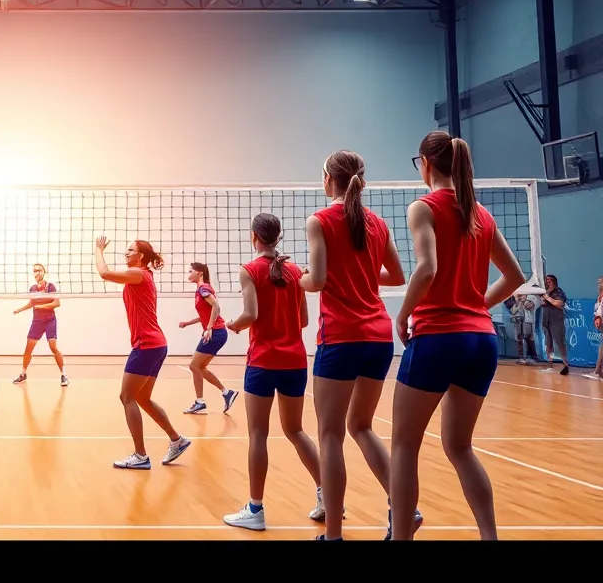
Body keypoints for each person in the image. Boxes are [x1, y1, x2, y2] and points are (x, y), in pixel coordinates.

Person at [389, 132, 526, 541]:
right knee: (460, 447)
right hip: (480, 341)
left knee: (404, 445)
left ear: (426, 164)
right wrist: (478, 306)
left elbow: (426, 268)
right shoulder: (480, 213)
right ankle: (489, 536)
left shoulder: (424, 207)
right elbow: (516, 277)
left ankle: (401, 537)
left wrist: (403, 314)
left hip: (438, 337)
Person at [299, 150, 417, 541]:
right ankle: (404, 507)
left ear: (327, 179)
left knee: (330, 435)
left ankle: (332, 535)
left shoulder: (319, 221)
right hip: (378, 337)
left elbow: (315, 281)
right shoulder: (378, 223)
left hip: (341, 336)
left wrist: (293, 276)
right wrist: (363, 274)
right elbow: (398, 275)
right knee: (362, 426)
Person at [223, 214, 322, 532]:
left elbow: (250, 314)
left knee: (258, 435)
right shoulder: (295, 272)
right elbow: (303, 321)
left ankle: (255, 509)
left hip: (263, 363)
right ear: (278, 237)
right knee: (296, 431)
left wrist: (234, 325)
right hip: (295, 362)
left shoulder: (249, 270)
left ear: (254, 236)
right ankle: (328, 498)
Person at [95, 236, 190, 470]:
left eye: (130, 250)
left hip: (147, 346)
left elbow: (104, 273)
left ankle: (140, 455)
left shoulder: (139, 274)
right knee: (142, 398)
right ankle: (177, 440)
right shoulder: (141, 276)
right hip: (156, 345)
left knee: (126, 397)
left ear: (141, 257)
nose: (126, 253)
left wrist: (98, 250)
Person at [178, 261, 237, 414]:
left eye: (191, 271)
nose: (189, 274)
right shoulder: (201, 290)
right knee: (200, 367)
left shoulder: (203, 289)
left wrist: (209, 327)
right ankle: (226, 393)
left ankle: (201, 402)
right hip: (217, 333)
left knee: (194, 366)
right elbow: (207, 312)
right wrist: (188, 323)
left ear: (199, 273)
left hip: (216, 333)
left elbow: (216, 306)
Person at [12, 263, 67, 386]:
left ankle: (64, 375)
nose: (36, 273)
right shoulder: (32, 289)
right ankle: (23, 373)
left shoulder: (50, 287)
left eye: (39, 270)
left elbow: (57, 303)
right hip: (37, 322)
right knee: (28, 349)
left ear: (44, 272)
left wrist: (41, 306)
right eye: (35, 271)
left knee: (53, 348)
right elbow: (32, 303)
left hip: (49, 320)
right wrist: (20, 310)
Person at [539, 274, 569, 376]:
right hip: (546, 320)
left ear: (554, 282)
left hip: (556, 320)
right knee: (548, 343)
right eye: (546, 281)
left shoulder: (558, 291)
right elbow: (542, 303)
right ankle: (550, 364)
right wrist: (543, 296)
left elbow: (560, 304)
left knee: (560, 342)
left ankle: (566, 365)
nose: (547, 283)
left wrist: (548, 298)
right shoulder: (545, 292)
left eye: (549, 281)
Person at [589, 278, 602, 381]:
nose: (599, 284)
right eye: (598, 282)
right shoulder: (600, 296)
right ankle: (599, 371)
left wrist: (600, 317)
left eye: (601, 282)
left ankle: (597, 372)